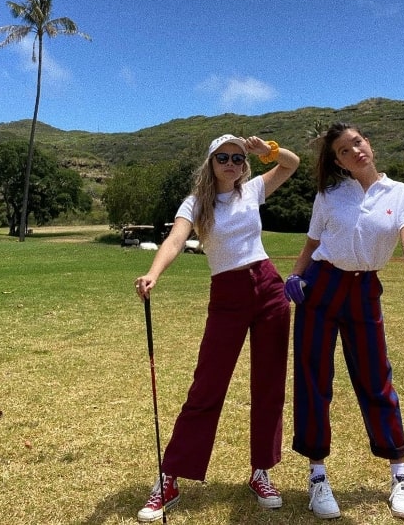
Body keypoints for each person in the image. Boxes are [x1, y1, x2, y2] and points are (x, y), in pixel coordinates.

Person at [134, 134, 300, 522]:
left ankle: (261, 470)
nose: (231, 164)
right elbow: (176, 239)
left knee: (269, 384)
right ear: (210, 162)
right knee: (207, 386)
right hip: (226, 292)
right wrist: (153, 273)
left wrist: (267, 152)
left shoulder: (253, 189)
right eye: (223, 157)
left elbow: (291, 165)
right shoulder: (195, 203)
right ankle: (171, 477)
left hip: (269, 287)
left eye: (238, 159)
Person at [284, 122, 404, 521]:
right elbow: (313, 242)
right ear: (338, 162)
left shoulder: (401, 193)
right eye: (345, 151)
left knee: (376, 378)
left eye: (358, 142)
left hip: (364, 289)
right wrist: (296, 275)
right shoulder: (329, 194)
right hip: (321, 287)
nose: (355, 152)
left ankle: (400, 474)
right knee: (314, 378)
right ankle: (317, 475)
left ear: (369, 143)